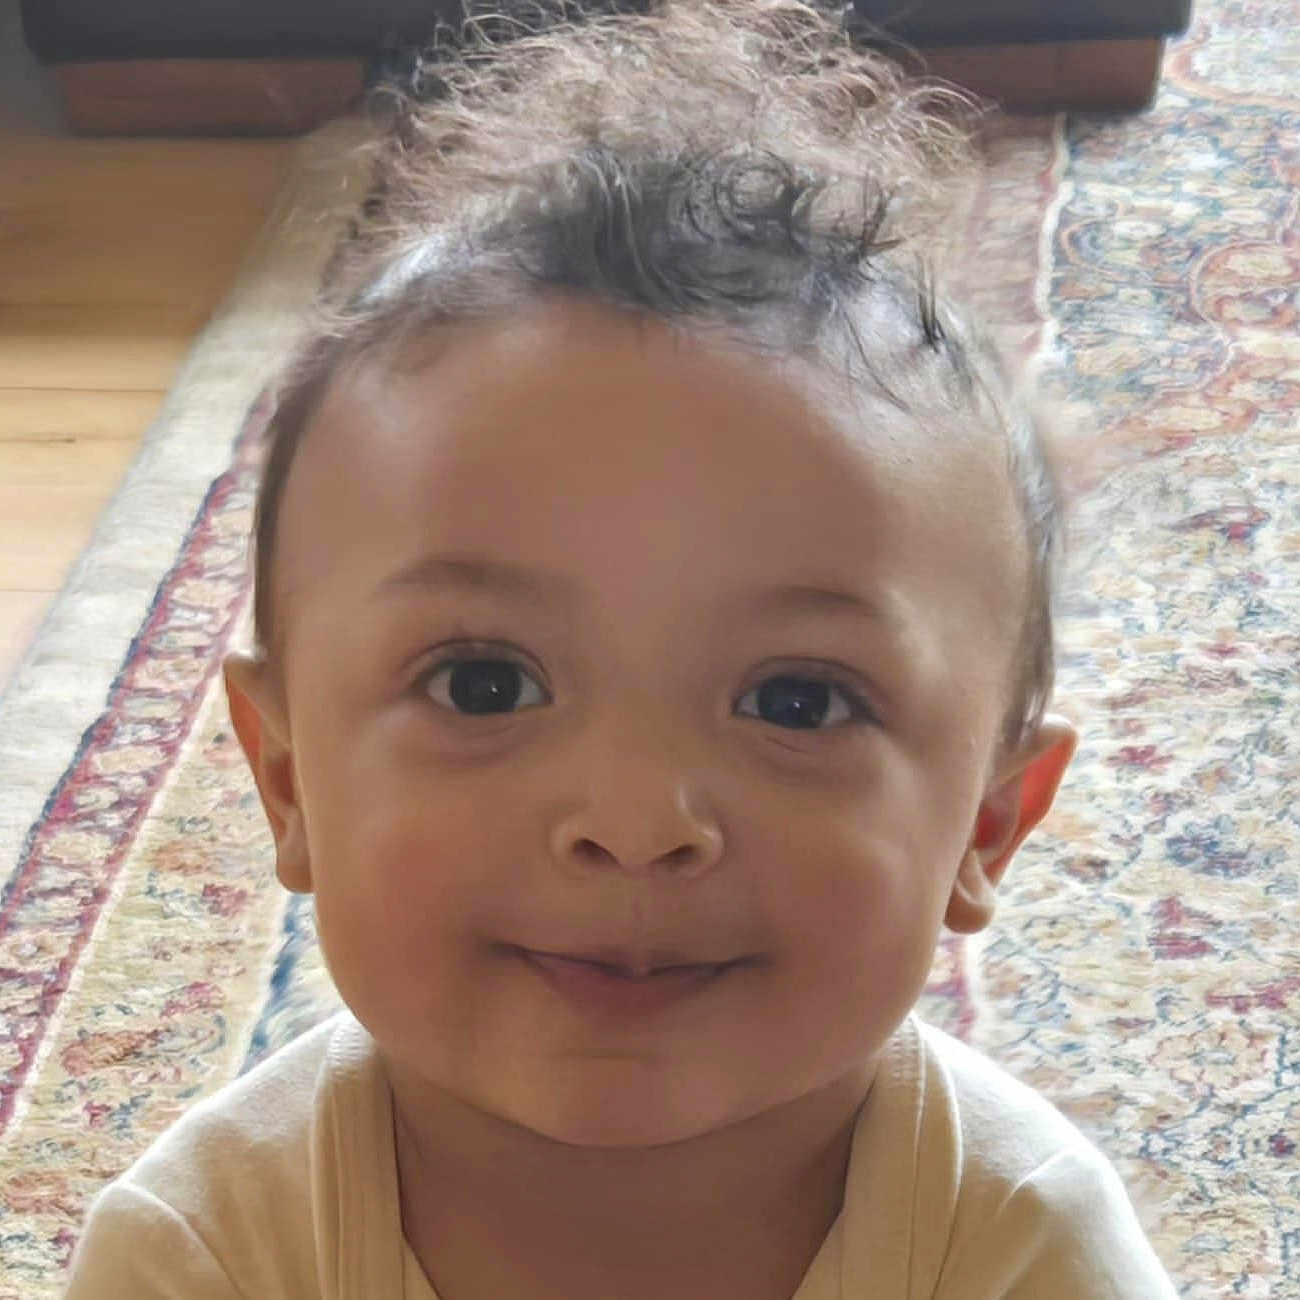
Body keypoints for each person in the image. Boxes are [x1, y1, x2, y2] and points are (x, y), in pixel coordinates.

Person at [63, 0, 1179, 1295]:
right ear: (288, 777)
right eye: (485, 683)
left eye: (798, 702)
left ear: (989, 822)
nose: (637, 820)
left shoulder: (1022, 1246)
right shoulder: (208, 1257)